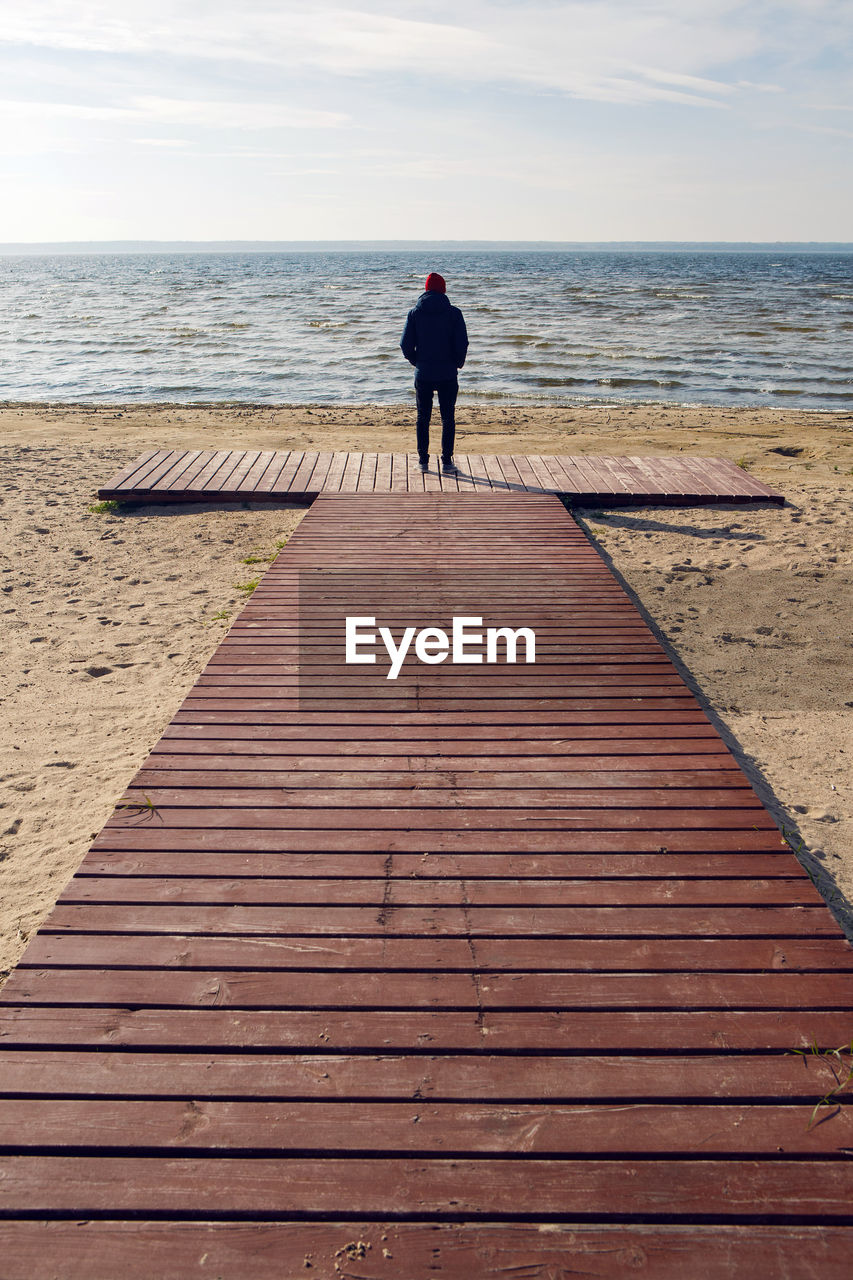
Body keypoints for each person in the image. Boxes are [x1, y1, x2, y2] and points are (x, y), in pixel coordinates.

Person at [400, 272, 468, 472]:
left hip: (424, 374)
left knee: (423, 417)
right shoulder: (454, 313)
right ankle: (447, 462)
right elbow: (462, 343)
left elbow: (405, 345)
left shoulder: (415, 313)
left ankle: (423, 462)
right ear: (443, 289)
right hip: (448, 373)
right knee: (448, 417)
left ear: (426, 289)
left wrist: (416, 362)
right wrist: (457, 363)